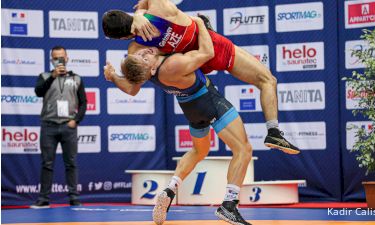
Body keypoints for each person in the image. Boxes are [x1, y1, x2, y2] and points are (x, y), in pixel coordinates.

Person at [104, 17, 252, 225]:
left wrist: (113, 77)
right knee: (243, 149)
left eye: (141, 53)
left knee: (199, 151)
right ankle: (229, 205)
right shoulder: (172, 64)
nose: (144, 51)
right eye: (143, 57)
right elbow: (208, 53)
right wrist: (199, 23)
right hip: (209, 101)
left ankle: (170, 188)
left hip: (190, 108)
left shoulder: (146, 70)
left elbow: (131, 88)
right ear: (150, 70)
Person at [102, 0, 300, 154]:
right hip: (209, 46)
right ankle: (273, 132)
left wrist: (113, 76)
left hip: (191, 65)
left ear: (121, 38)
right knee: (267, 80)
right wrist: (138, 12)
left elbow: (132, 88)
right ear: (126, 15)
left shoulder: (136, 49)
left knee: (201, 146)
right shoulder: (160, 7)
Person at [31, 46, 87, 208]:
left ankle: (74, 198)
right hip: (49, 126)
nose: (59, 60)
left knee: (71, 163)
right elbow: (38, 92)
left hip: (68, 127)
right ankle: (43, 199)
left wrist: (76, 120)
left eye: (61, 57)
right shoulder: (44, 76)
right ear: (51, 59)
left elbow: (83, 102)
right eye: (56, 58)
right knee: (47, 164)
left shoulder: (76, 78)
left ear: (67, 58)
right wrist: (53, 77)